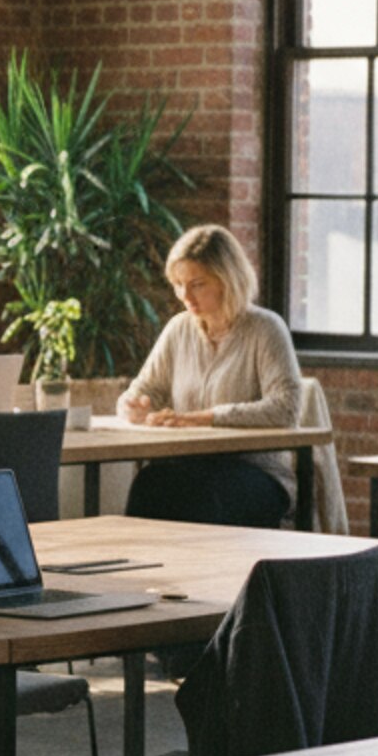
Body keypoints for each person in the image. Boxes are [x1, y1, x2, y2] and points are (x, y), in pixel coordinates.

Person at [119, 223, 304, 528]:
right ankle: (148, 577)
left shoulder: (265, 329)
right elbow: (140, 390)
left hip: (257, 474)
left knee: (204, 498)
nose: (184, 296)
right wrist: (133, 405)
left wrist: (204, 417)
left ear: (227, 279)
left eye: (197, 284)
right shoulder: (179, 329)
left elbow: (286, 408)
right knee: (149, 485)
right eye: (178, 284)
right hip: (190, 466)